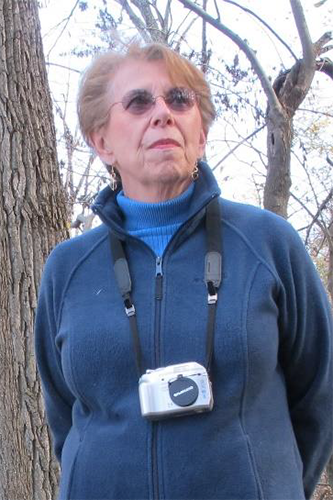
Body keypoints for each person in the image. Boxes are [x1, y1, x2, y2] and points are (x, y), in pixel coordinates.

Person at [35, 42, 332, 500]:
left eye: (179, 100)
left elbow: (319, 396)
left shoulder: (269, 245)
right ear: (101, 141)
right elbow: (66, 417)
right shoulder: (67, 269)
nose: (162, 114)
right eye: (138, 102)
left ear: (201, 132)